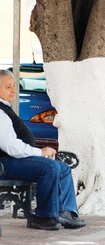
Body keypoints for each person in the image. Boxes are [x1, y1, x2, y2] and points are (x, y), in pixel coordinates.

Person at [0, 69, 86, 230]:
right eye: (8, 87)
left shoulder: (5, 108)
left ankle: (65, 212)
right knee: (49, 167)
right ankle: (44, 216)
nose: (13, 90)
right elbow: (10, 146)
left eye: (14, 86)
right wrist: (40, 152)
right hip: (5, 163)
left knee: (63, 168)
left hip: (14, 159)